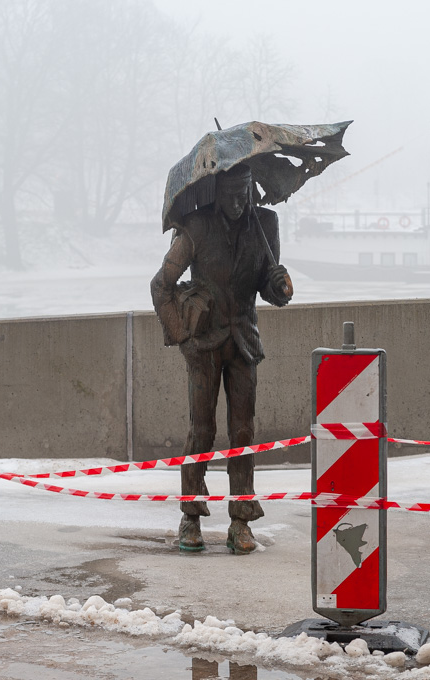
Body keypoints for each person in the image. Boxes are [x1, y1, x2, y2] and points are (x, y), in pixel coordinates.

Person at [150, 163, 293, 554]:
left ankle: (241, 520)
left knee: (243, 432)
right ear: (216, 191)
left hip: (244, 339)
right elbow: (160, 284)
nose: (237, 201)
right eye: (230, 193)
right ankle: (191, 515)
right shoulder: (196, 227)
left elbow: (269, 287)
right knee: (202, 430)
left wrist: (279, 286)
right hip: (204, 343)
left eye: (244, 192)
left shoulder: (265, 224)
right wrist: (181, 334)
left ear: (251, 189)